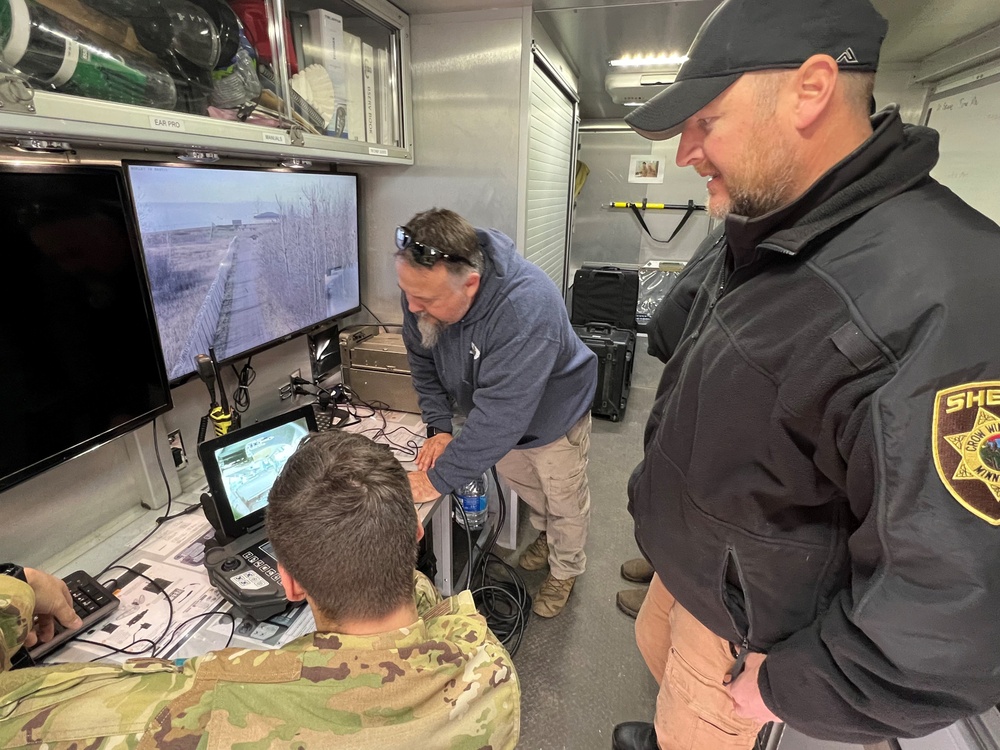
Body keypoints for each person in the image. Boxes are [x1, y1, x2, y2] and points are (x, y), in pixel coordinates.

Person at [612, 0, 1000, 748]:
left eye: (706, 121)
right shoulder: (777, 223)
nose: (687, 151)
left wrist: (782, 689)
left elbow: (952, 616)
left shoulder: (941, 298)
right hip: (708, 578)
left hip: (752, 646)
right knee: (663, 676)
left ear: (811, 89)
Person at [0, 430, 520, 748]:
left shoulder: (199, 711)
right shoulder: (487, 665)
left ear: (288, 581)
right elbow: (424, 602)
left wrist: (20, 590)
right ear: (418, 534)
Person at [395, 208, 598, 618]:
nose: (412, 306)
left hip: (554, 420)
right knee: (532, 490)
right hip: (496, 423)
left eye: (426, 300)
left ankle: (566, 568)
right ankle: (545, 535)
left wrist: (437, 479)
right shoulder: (423, 290)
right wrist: (439, 426)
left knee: (564, 500)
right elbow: (422, 361)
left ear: (470, 283)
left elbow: (503, 415)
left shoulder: (525, 307)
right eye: (407, 292)